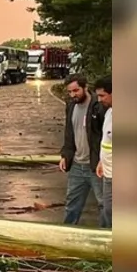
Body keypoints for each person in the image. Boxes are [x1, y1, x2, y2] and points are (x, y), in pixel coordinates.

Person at [59, 74, 106, 227]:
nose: (73, 95)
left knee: (104, 204)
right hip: (77, 165)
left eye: (76, 91)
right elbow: (69, 133)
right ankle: (67, 235)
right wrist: (65, 155)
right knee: (72, 204)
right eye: (70, 92)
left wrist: (103, 160)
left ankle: (106, 237)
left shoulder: (99, 106)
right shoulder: (71, 105)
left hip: (96, 166)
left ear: (85, 87)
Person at [94, 77, 112, 229]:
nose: (99, 100)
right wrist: (101, 161)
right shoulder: (109, 113)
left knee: (110, 212)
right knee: (108, 211)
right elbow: (106, 141)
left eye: (102, 96)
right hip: (107, 173)